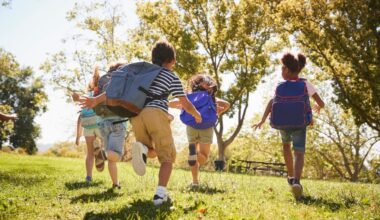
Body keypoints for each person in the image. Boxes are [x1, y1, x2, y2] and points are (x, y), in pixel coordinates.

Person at [80, 40, 202, 206]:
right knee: (167, 157)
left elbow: (116, 89)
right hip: (156, 114)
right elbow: (185, 102)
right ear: (172, 60)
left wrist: (95, 100)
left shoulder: (143, 72)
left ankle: (143, 148)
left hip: (136, 115)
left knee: (151, 151)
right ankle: (160, 195)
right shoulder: (171, 76)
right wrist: (196, 114)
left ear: (153, 58)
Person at [252, 52, 325, 199]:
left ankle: (290, 176)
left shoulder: (280, 86)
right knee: (299, 152)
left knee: (286, 146)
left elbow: (272, 102)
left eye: (281, 68)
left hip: (283, 123)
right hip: (299, 123)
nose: (281, 71)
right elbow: (321, 102)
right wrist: (317, 107)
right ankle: (297, 182)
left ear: (286, 69)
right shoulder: (305, 83)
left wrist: (262, 119)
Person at [168, 74, 230, 186]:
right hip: (206, 127)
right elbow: (226, 104)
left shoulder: (188, 96)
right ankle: (194, 157)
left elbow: (171, 103)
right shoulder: (211, 98)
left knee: (193, 156)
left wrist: (183, 106)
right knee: (203, 156)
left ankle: (195, 181)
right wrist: (216, 113)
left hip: (191, 126)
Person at [76, 63, 127, 189]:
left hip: (103, 123)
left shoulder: (103, 81)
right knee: (116, 155)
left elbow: (93, 101)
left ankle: (116, 183)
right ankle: (102, 154)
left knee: (112, 158)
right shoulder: (123, 80)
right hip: (118, 123)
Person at [72, 66, 102, 183]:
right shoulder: (101, 95)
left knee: (89, 153)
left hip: (87, 125)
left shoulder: (87, 96)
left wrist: (78, 136)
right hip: (99, 124)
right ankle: (101, 149)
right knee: (107, 142)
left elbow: (80, 118)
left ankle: (88, 177)